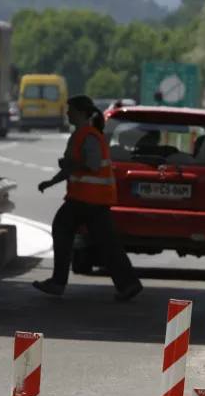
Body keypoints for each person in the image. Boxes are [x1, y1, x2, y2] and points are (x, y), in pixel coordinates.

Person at [32, 94, 144, 301]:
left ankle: (58, 282)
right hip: (95, 199)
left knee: (61, 228)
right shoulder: (83, 134)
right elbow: (75, 166)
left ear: (81, 113)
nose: (67, 113)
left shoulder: (88, 135)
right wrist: (51, 182)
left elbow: (90, 164)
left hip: (86, 198)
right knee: (108, 243)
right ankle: (129, 284)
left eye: (71, 110)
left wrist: (68, 165)